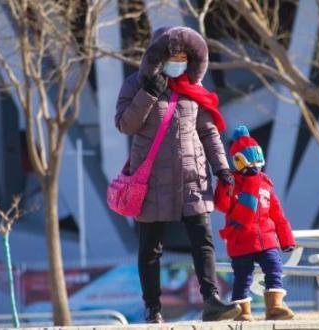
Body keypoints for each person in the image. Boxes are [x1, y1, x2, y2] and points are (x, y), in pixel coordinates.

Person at [115, 26, 240, 323]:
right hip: (151, 182)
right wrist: (148, 94)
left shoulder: (194, 91)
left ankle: (211, 301)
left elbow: (208, 132)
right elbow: (124, 124)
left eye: (185, 56)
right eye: (174, 55)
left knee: (203, 240)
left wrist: (222, 167)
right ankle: (153, 309)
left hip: (191, 179)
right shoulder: (135, 85)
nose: (179, 61)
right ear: (158, 56)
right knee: (151, 248)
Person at [214, 126, 296, 321]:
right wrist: (223, 184)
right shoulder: (231, 182)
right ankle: (243, 312)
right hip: (241, 241)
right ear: (238, 160)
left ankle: (274, 306)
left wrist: (286, 239)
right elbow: (222, 205)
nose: (255, 165)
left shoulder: (265, 183)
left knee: (274, 269)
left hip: (267, 240)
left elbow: (278, 215)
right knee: (243, 277)